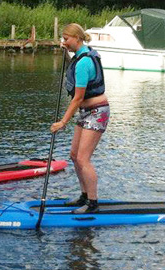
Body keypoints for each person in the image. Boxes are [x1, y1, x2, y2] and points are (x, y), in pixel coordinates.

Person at [51, 23, 110, 213]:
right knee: (74, 156)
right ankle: (84, 196)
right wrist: (66, 53)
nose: (64, 42)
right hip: (86, 112)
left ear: (76, 38)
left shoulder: (84, 62)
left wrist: (62, 122)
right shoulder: (80, 56)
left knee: (83, 159)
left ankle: (93, 203)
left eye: (66, 39)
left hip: (97, 112)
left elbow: (78, 98)